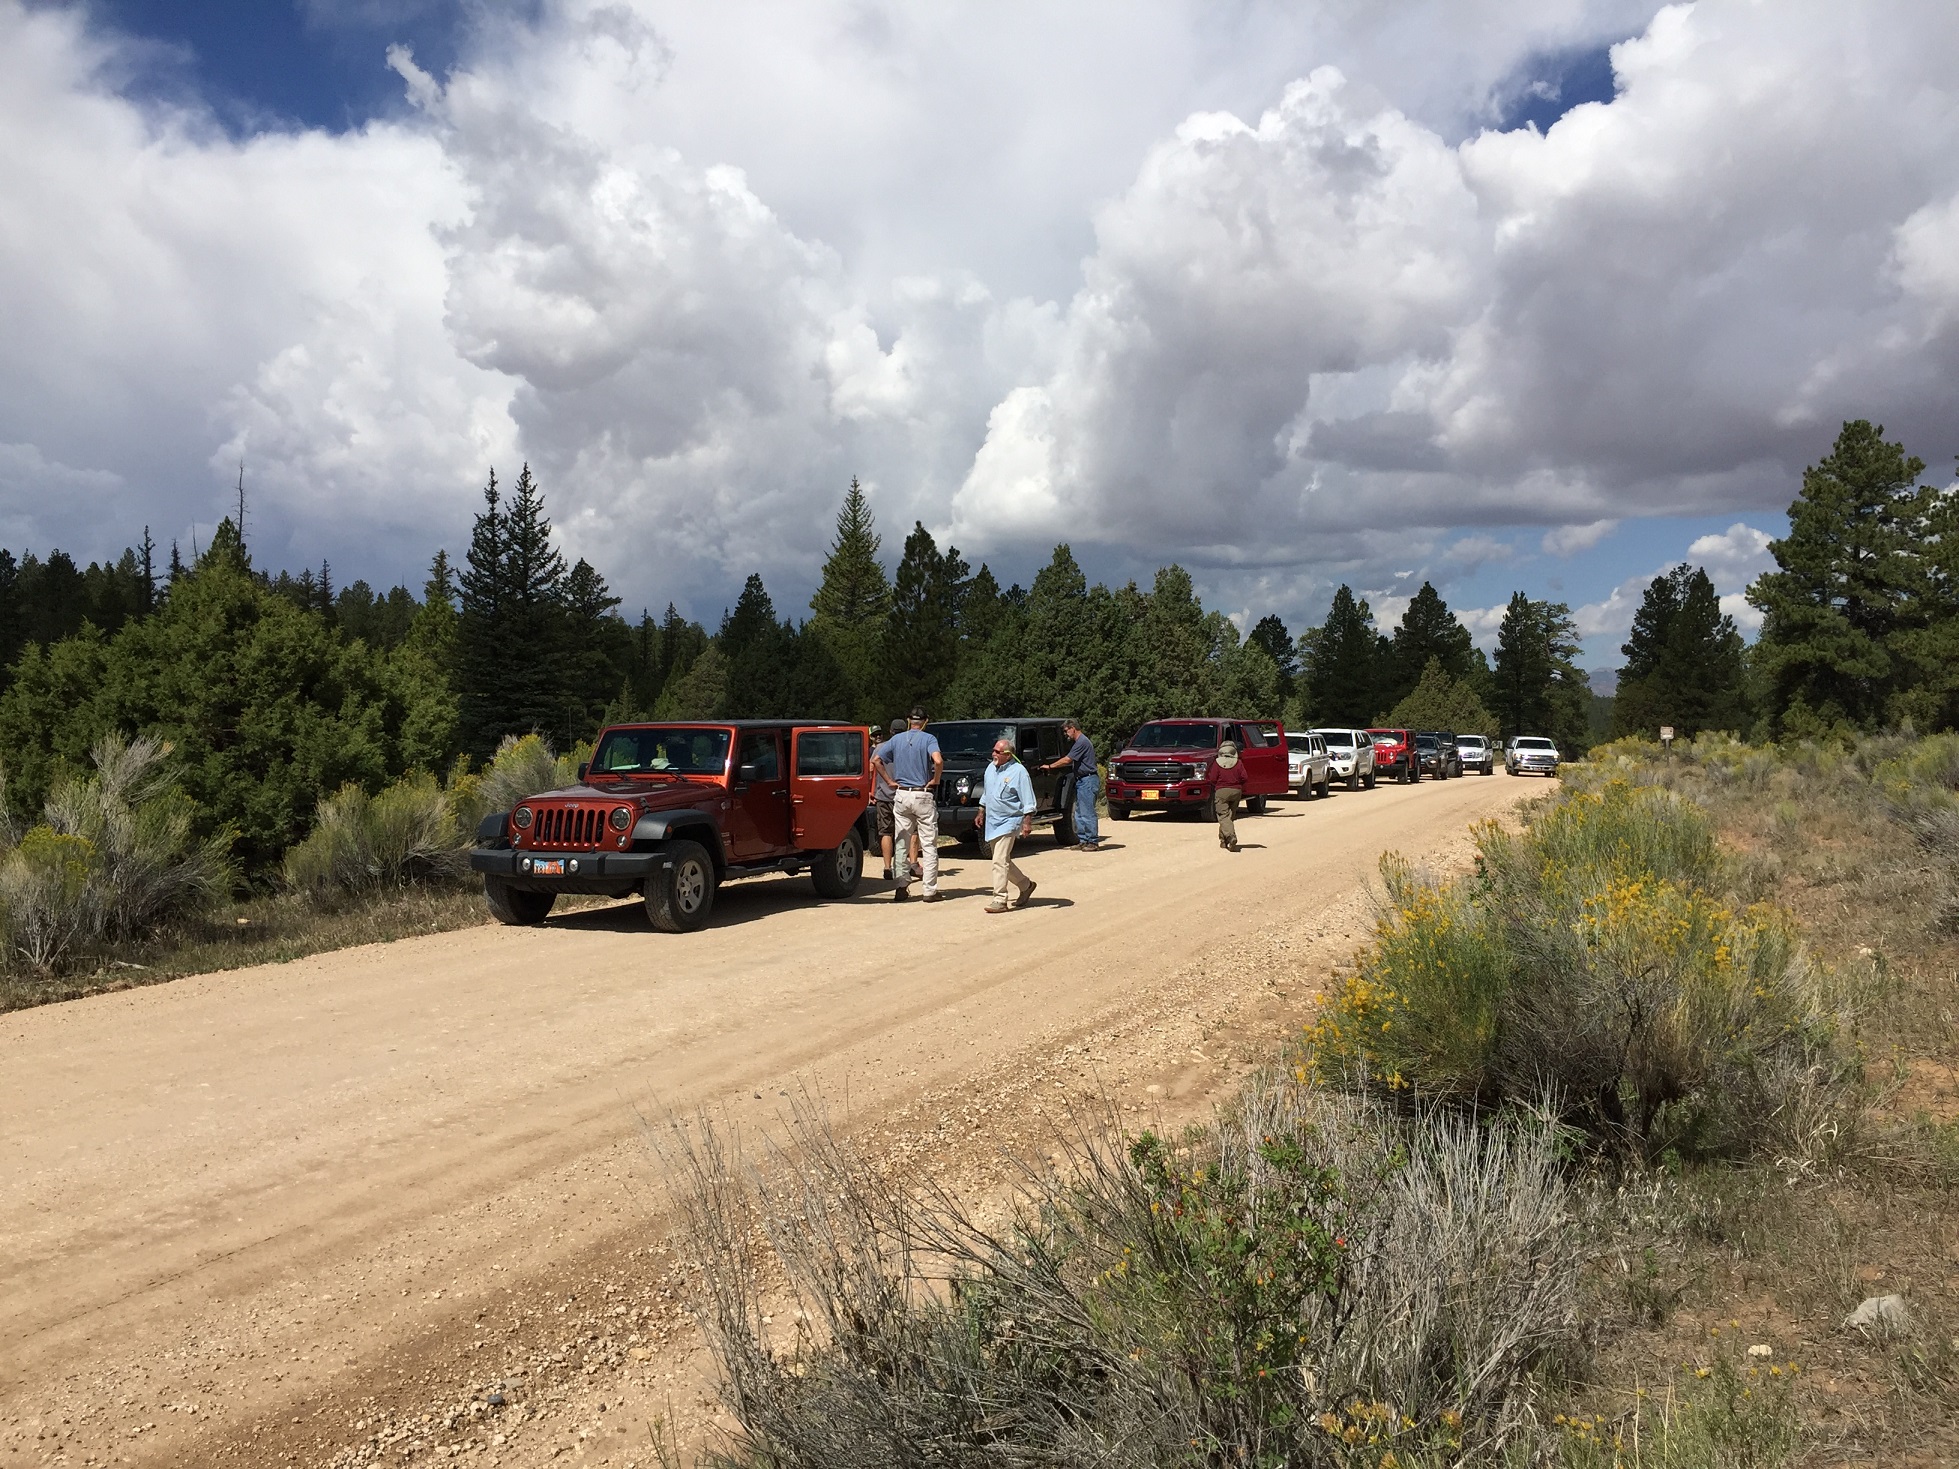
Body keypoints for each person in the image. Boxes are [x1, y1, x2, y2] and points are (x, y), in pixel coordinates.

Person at [873, 706, 943, 902]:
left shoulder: (896, 739)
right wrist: (935, 779)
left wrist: (888, 781)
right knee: (928, 843)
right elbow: (937, 760)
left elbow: (877, 760)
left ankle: (901, 886)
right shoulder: (929, 739)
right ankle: (929, 890)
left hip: (901, 794)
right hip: (922, 793)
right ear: (925, 721)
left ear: (908, 720)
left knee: (901, 841)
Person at [975, 736, 1039, 913]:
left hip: (1010, 820)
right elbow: (987, 792)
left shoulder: (1019, 772)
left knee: (999, 861)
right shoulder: (990, 768)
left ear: (1008, 755)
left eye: (998, 751)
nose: (993, 753)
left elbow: (1028, 799)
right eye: (994, 750)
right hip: (993, 821)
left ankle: (1000, 899)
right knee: (1002, 861)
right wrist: (981, 811)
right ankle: (1026, 885)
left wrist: (1027, 822)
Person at [1042, 717, 1101, 851]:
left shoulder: (1082, 742)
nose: (1065, 734)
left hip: (1088, 780)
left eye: (1066, 731)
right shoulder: (1078, 742)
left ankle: (1093, 841)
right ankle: (1083, 840)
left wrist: (1051, 766)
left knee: (1087, 812)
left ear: (1073, 728)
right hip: (1081, 780)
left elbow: (1068, 759)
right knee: (1079, 812)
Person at [872, 717, 903, 880]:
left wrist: (875, 790)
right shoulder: (906, 747)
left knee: (885, 832)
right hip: (902, 794)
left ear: (890, 731)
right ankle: (903, 865)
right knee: (904, 832)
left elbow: (873, 768)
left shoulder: (880, 748)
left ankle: (887, 866)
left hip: (883, 795)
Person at [1214, 739, 1245, 852]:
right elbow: (1244, 777)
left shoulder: (1217, 763)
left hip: (1221, 791)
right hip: (1236, 791)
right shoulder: (1239, 763)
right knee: (1229, 816)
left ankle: (1231, 837)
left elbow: (1212, 778)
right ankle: (1223, 840)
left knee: (1223, 816)